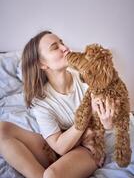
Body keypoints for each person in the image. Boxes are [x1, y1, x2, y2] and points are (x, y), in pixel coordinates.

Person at [0, 30, 115, 178]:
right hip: (62, 142)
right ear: (42, 64)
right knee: (2, 129)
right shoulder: (40, 99)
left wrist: (107, 124)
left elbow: (107, 119)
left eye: (62, 42)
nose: (65, 47)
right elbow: (59, 146)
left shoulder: (85, 75)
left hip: (87, 147)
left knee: (51, 175)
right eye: (55, 47)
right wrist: (85, 116)